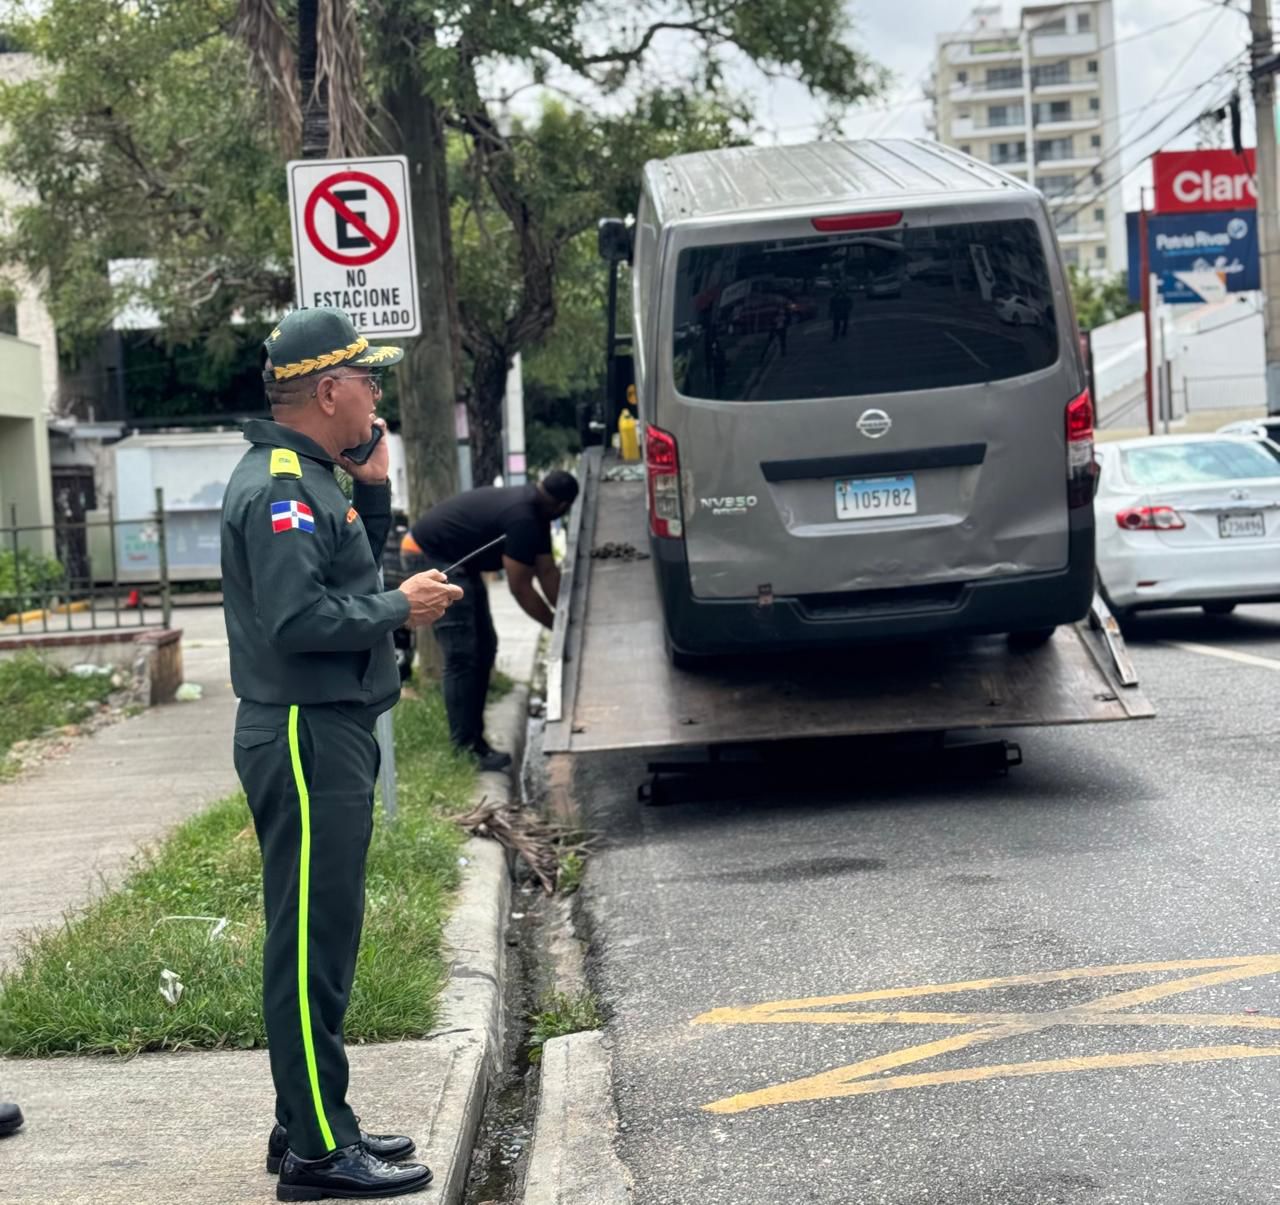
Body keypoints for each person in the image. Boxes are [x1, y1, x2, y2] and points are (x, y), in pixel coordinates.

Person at [221, 306, 462, 1201]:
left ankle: (311, 1119)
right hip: (303, 727)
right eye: (367, 380)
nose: (375, 394)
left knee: (327, 933)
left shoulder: (314, 477)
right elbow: (300, 619)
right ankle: (319, 1150)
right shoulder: (283, 486)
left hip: (326, 728)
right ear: (328, 390)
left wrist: (374, 486)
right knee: (308, 941)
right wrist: (404, 608)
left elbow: (342, 571)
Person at [403, 471, 579, 770]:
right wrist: (557, 628)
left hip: (456, 561)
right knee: (463, 654)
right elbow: (521, 588)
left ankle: (476, 743)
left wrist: (567, 621)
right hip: (430, 555)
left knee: (485, 648)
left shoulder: (535, 512)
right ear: (562, 506)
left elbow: (547, 573)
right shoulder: (524, 518)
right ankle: (466, 749)